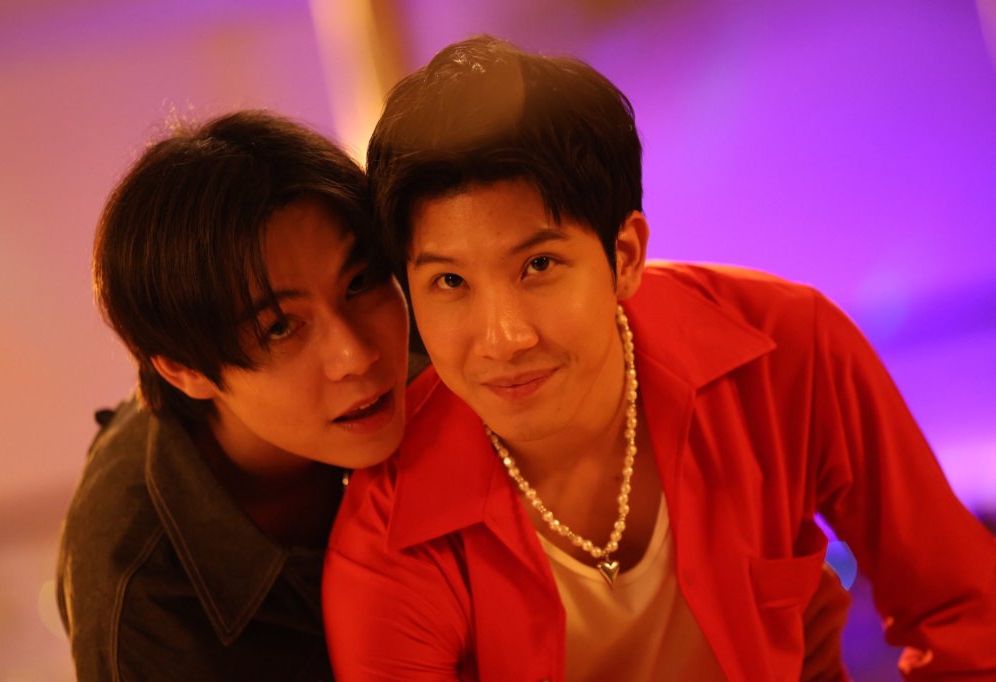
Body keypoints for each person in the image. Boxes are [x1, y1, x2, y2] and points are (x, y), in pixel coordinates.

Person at [323, 36, 996, 680]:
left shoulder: (789, 349)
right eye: (450, 282)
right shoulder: (390, 534)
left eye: (538, 265)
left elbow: (964, 614)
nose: (502, 338)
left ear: (624, 257)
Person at [56, 110, 410, 680]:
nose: (358, 354)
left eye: (359, 282)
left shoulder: (430, 342)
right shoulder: (146, 605)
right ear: (184, 370)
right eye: (280, 327)